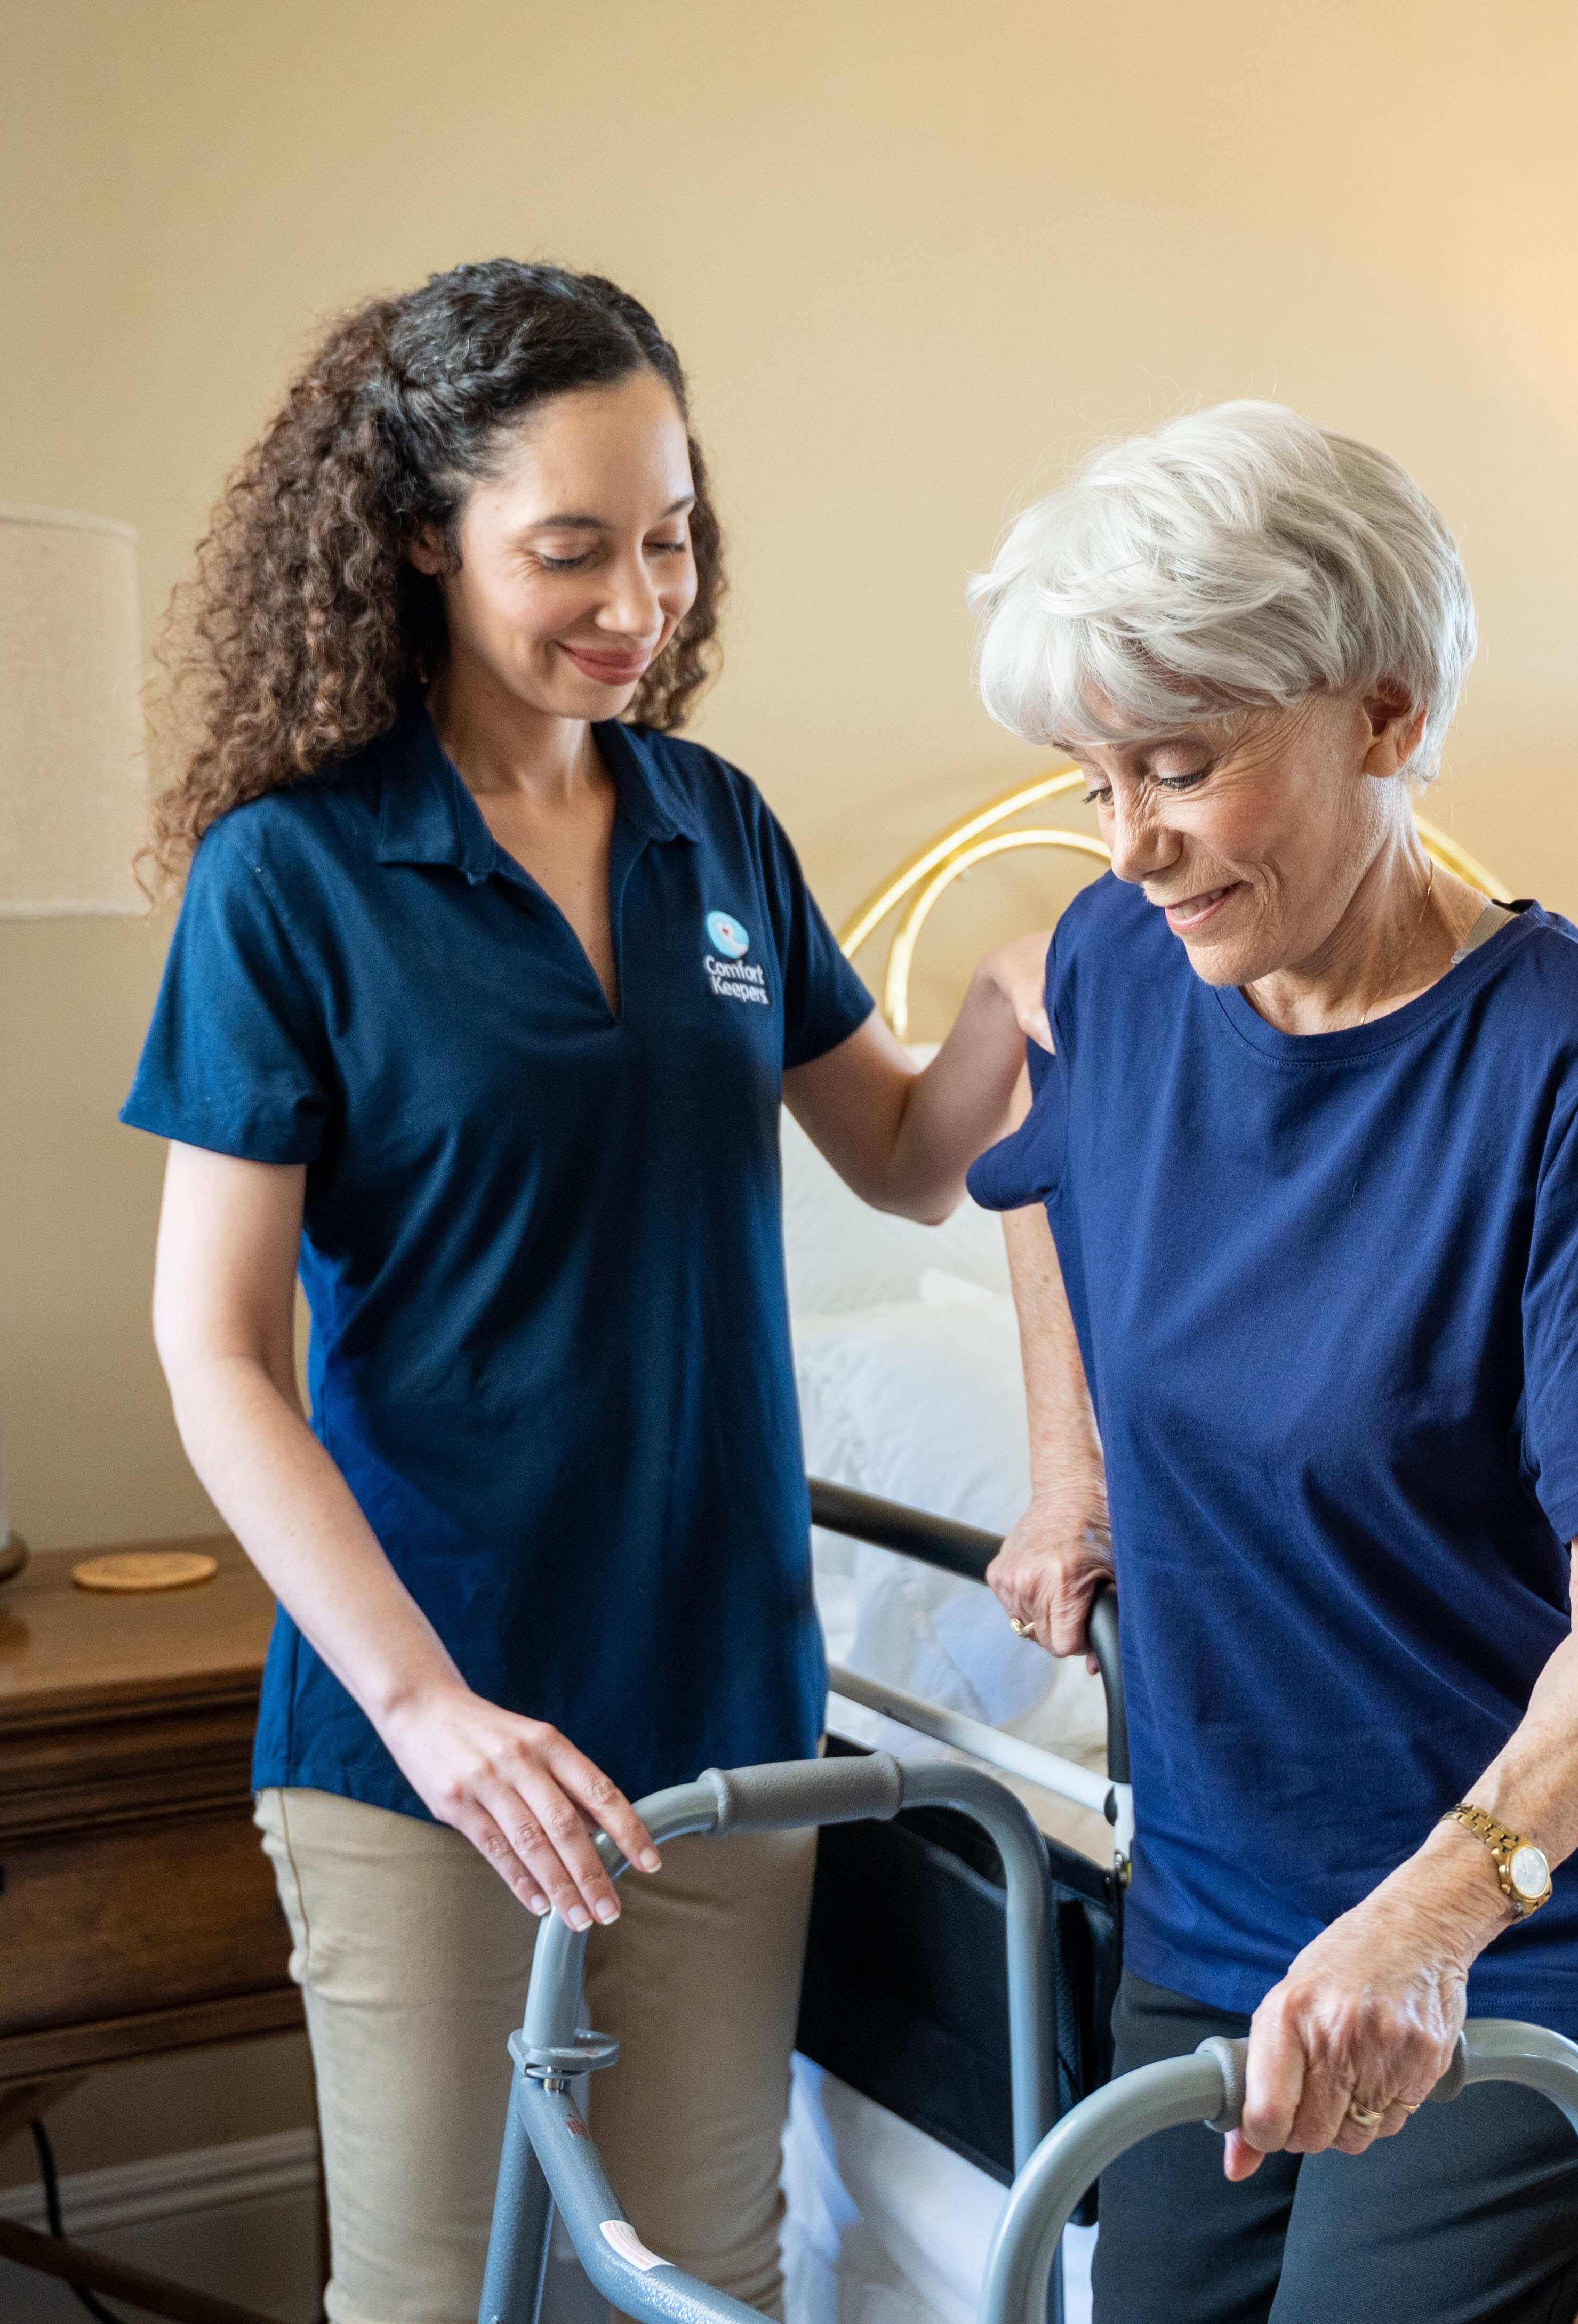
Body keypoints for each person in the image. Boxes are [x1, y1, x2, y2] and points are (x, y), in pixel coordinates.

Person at [125, 259, 1043, 2324]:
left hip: (721, 1697)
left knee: (709, 2276)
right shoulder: (292, 876)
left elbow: (905, 1156)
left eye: (671, 534)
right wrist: (431, 1713)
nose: (638, 598)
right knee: (447, 2293)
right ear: (418, 540)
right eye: (571, 549)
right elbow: (212, 1350)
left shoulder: (714, 829)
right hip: (427, 1730)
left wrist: (1012, 991)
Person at [967, 401, 1578, 2323]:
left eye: (1182, 767)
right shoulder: (1113, 962)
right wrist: (1069, 1473)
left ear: (1383, 710)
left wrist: (1430, 1923)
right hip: (1216, 1899)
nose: (1135, 842)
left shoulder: (1574, 1077)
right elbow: (1037, 1170)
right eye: (1092, 781)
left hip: (1550, 1920)